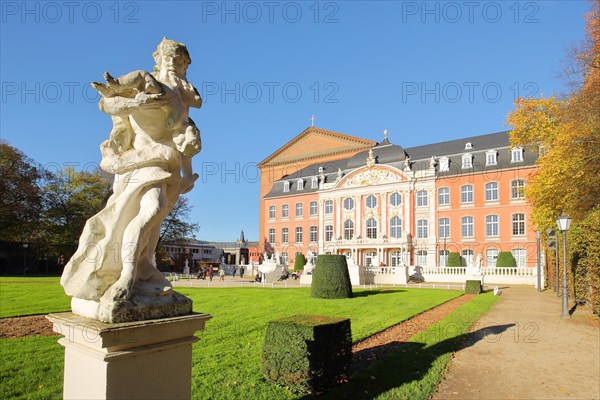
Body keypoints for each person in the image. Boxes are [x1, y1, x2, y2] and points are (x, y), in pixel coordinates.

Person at [61, 38, 203, 308]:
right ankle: (126, 276)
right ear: (158, 59)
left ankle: (143, 268)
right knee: (150, 211)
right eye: (169, 58)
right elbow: (108, 105)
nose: (175, 64)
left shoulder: (181, 98)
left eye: (181, 61)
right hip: (143, 162)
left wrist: (192, 140)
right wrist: (134, 100)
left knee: (153, 220)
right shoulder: (147, 83)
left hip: (169, 166)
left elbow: (185, 134)